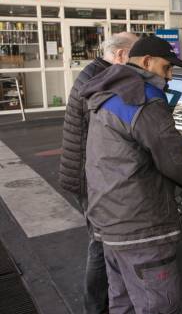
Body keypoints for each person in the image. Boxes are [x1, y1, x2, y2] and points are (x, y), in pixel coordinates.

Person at [80, 35, 182, 313]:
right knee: (158, 306)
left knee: (124, 302)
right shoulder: (142, 98)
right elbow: (175, 161)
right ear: (146, 62)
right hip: (141, 225)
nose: (169, 77)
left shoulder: (108, 92)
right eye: (166, 68)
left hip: (109, 219)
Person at [58, 31, 138, 314]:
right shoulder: (99, 80)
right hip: (89, 176)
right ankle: (95, 307)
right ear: (119, 56)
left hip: (85, 172)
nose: (139, 63)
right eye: (135, 55)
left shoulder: (95, 73)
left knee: (101, 242)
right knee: (100, 243)